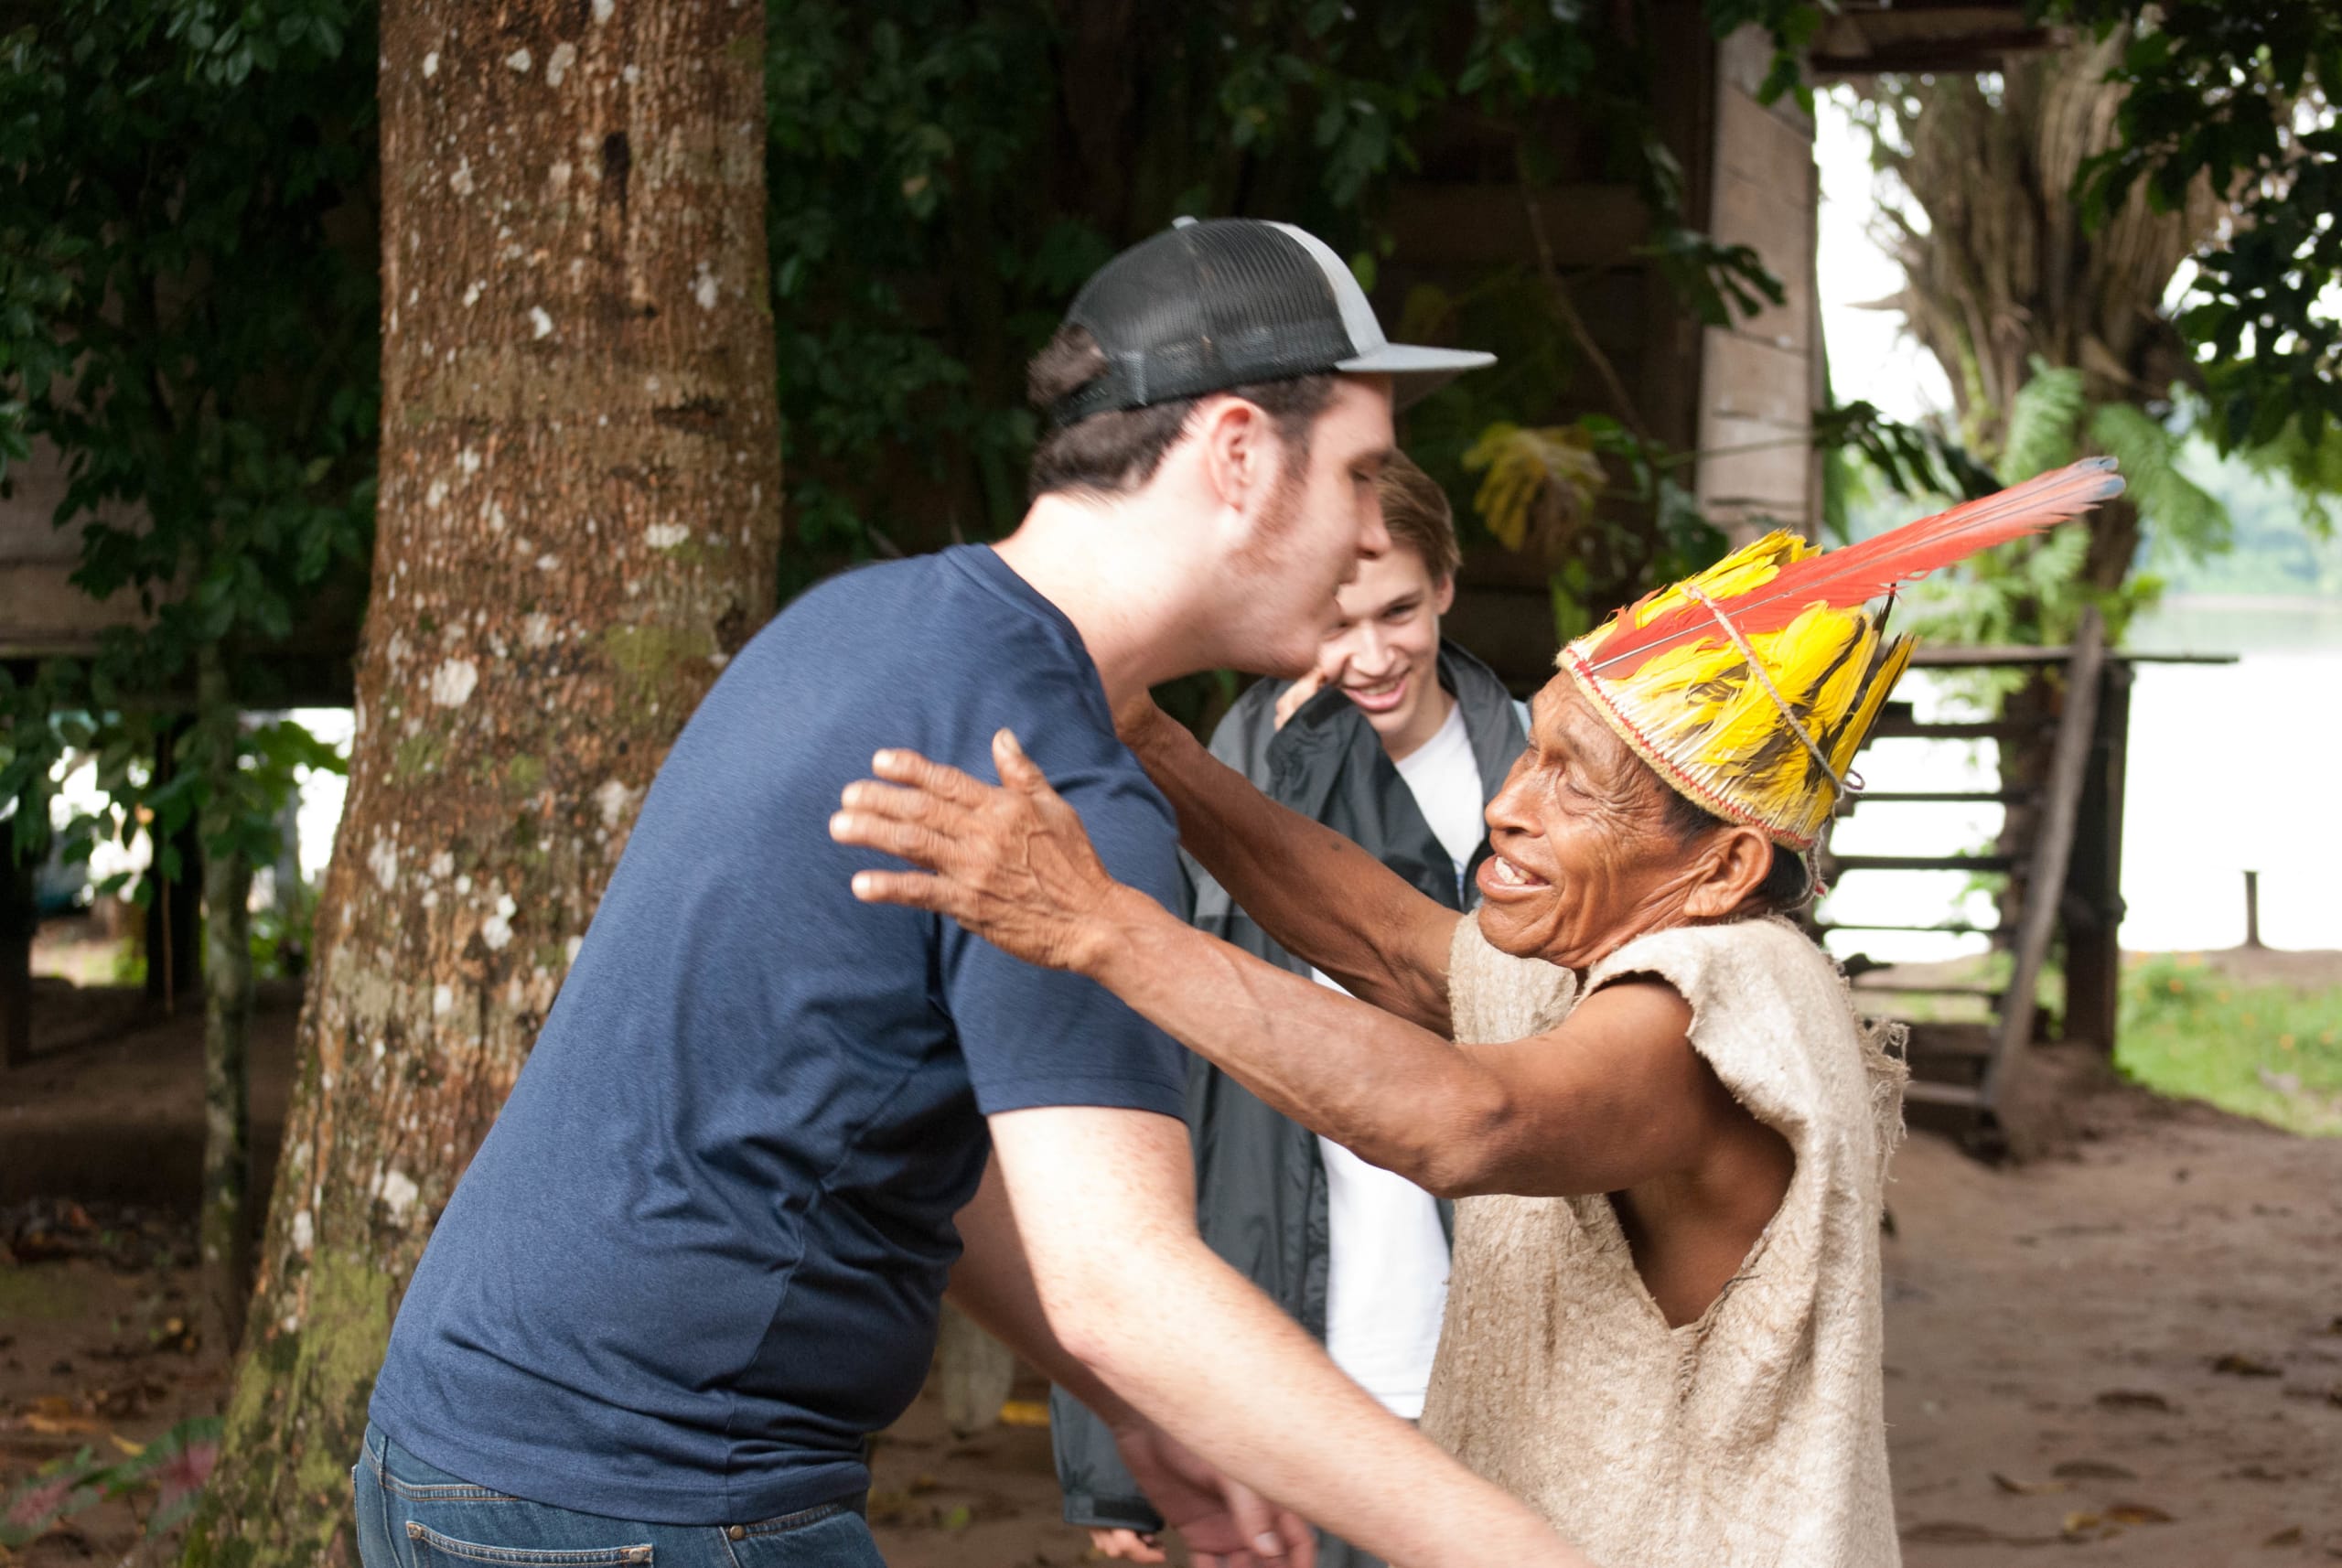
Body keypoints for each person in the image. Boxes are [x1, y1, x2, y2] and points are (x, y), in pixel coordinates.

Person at [354, 215, 1597, 1568]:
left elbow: (898, 1145)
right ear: (1239, 454)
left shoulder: (872, 622)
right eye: (1361, 475)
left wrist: (1138, 1402)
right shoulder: (1050, 785)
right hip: (646, 1501)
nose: (1371, 530)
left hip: (455, 1451)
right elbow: (1125, 1284)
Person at [831, 460, 2127, 1566]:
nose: (1512, 804)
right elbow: (1387, 945)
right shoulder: (1612, 947)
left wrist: (1102, 928)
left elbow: (1470, 1118)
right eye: (1533, 750)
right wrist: (1160, 748)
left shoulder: (1726, 993)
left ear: (1726, 865)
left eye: (1579, 786)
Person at [1052, 453, 1528, 1568]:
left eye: (1399, 611)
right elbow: (1131, 1089)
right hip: (1293, 1374)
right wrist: (1112, 1451)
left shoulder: (1540, 769)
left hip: (1497, 1362)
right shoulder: (1211, 779)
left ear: (1446, 586)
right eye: (1335, 619)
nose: (1368, 658)